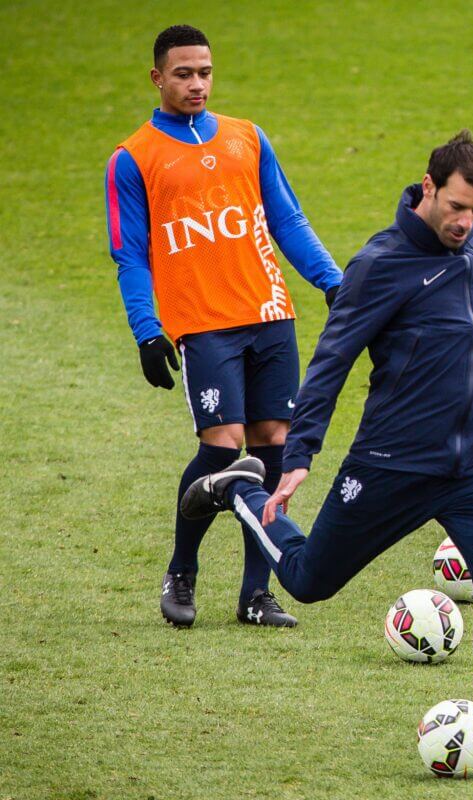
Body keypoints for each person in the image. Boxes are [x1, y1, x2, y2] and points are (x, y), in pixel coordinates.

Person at [179, 131, 473, 768]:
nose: (466, 223)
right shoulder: (380, 265)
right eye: (457, 207)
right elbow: (331, 360)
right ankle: (238, 490)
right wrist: (298, 454)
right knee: (309, 582)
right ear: (428, 187)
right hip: (395, 463)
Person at [105, 25, 343, 628]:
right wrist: (147, 329)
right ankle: (182, 571)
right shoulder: (133, 158)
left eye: (204, 72)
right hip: (204, 326)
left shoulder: (247, 138)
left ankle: (256, 596)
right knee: (221, 449)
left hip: (269, 315)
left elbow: (287, 221)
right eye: (183, 73)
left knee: (270, 452)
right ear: (158, 78)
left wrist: (335, 282)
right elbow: (131, 253)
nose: (196, 84)